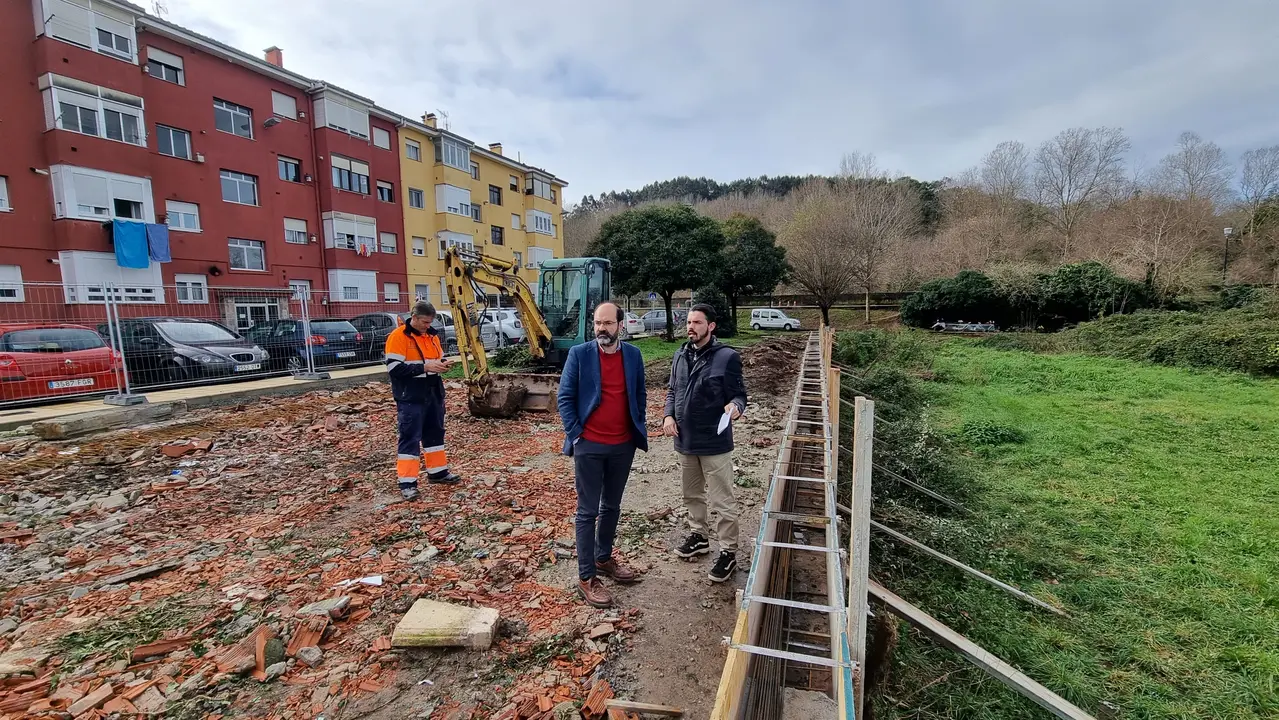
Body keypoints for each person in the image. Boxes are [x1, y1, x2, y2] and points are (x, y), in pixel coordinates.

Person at [557, 302, 649, 608]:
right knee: (587, 511)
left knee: (612, 506)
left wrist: (638, 426)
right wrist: (577, 435)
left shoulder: (633, 355)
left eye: (608, 323)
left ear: (620, 326)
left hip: (623, 445)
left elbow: (639, 394)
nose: (601, 329)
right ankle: (586, 577)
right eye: (597, 323)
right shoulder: (580, 354)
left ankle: (603, 558)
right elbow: (565, 397)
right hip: (590, 446)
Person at [663, 303, 748, 583]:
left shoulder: (727, 357)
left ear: (710, 326)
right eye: (688, 322)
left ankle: (728, 552)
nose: (691, 327)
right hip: (685, 440)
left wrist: (735, 407)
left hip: (714, 442)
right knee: (692, 495)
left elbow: (739, 396)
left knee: (722, 500)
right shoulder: (680, 355)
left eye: (697, 322)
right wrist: (668, 416)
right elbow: (673, 390)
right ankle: (699, 535)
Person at [384, 302, 461, 500]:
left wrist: (443, 365)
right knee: (410, 437)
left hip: (433, 393)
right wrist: (426, 368)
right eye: (425, 322)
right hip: (411, 396)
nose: (428, 325)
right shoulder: (398, 337)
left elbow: (437, 359)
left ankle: (438, 472)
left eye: (430, 322)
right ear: (414, 317)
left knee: (434, 434)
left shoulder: (432, 336)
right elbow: (395, 369)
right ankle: (407, 482)